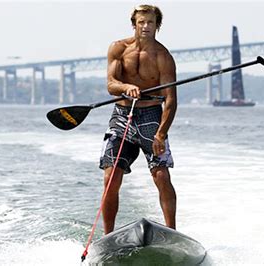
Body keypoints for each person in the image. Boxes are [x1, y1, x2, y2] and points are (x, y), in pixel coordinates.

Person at [99, 4, 177, 234]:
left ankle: (171, 232)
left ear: (157, 25)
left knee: (161, 175)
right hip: (122, 116)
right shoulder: (118, 49)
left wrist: (161, 133)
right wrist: (126, 86)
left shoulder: (163, 57)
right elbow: (111, 84)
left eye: (150, 22)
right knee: (110, 177)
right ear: (134, 24)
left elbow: (171, 100)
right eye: (141, 22)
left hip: (151, 118)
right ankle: (108, 236)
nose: (145, 27)